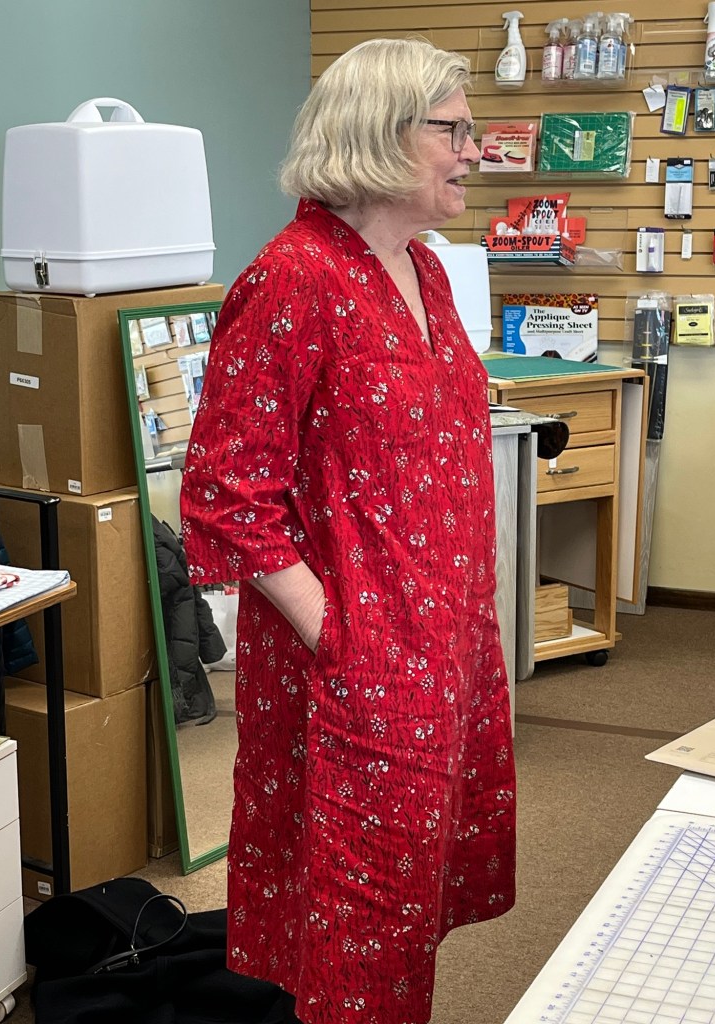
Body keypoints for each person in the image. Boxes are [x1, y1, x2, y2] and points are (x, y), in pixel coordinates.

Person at [180, 37, 516, 1024]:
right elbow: (226, 492)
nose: (474, 151)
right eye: (455, 130)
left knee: (407, 898)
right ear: (380, 134)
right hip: (357, 664)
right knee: (355, 902)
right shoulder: (294, 278)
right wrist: (340, 632)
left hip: (443, 647)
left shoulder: (425, 270)